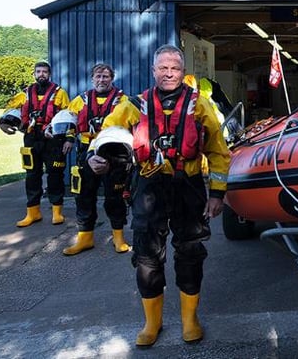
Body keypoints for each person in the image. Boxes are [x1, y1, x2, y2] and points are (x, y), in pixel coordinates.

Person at [88, 45, 230, 347]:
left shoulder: (200, 105)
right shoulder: (133, 105)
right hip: (148, 186)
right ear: (154, 71)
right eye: (163, 68)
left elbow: (218, 151)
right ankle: (152, 323)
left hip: (188, 187)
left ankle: (190, 319)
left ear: (182, 71)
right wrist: (92, 157)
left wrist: (217, 193)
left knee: (190, 252)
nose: (169, 73)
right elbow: (105, 133)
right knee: (146, 256)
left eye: (175, 68)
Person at [58, 63, 131, 256]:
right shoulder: (80, 100)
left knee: (114, 196)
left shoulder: (122, 100)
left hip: (114, 154)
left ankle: (118, 236)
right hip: (86, 154)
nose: (101, 80)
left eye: (105, 76)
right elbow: (70, 121)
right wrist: (67, 139)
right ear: (92, 79)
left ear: (112, 78)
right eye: (98, 76)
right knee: (84, 195)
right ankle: (85, 237)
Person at [0, 61, 71, 227]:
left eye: (44, 72)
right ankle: (33, 212)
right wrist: (3, 124)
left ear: (50, 74)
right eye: (38, 72)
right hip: (31, 139)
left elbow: (69, 117)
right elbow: (9, 109)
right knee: (32, 175)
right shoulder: (25, 94)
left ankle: (57, 212)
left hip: (53, 140)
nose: (41, 74)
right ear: (34, 74)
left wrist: (69, 139)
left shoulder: (60, 93)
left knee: (55, 175)